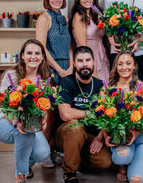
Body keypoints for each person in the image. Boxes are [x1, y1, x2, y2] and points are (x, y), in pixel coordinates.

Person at [0, 39, 51, 183]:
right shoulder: (12, 75)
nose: (33, 56)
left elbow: (43, 105)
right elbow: (4, 105)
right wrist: (15, 121)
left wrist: (44, 118)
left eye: (37, 53)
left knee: (43, 154)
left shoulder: (43, 79)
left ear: (43, 56)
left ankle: (25, 164)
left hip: (29, 123)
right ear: (22, 56)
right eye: (29, 53)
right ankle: (20, 176)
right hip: (3, 120)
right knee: (23, 132)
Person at [56, 46, 112, 183]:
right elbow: (65, 114)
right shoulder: (66, 82)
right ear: (74, 63)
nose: (85, 64)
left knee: (106, 162)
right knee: (76, 126)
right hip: (66, 133)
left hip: (91, 135)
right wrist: (92, 113)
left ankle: (77, 159)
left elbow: (105, 115)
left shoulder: (101, 86)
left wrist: (100, 136)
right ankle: (69, 172)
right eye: (80, 61)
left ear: (94, 62)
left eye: (88, 60)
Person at [102, 51, 143, 183]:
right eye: (120, 64)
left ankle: (136, 163)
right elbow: (103, 119)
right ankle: (123, 165)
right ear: (116, 67)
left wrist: (136, 133)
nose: (124, 67)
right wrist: (105, 136)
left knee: (136, 180)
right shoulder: (107, 89)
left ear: (134, 66)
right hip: (120, 138)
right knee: (122, 157)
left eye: (128, 63)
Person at [69, 0, 110, 82]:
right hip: (88, 57)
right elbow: (82, 46)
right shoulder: (78, 16)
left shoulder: (97, 15)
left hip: (102, 56)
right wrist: (90, 65)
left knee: (104, 90)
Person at [36, 0, 72, 85]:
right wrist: (59, 70)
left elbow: (70, 47)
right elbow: (41, 47)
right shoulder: (44, 18)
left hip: (68, 69)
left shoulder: (66, 19)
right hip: (51, 69)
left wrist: (71, 67)